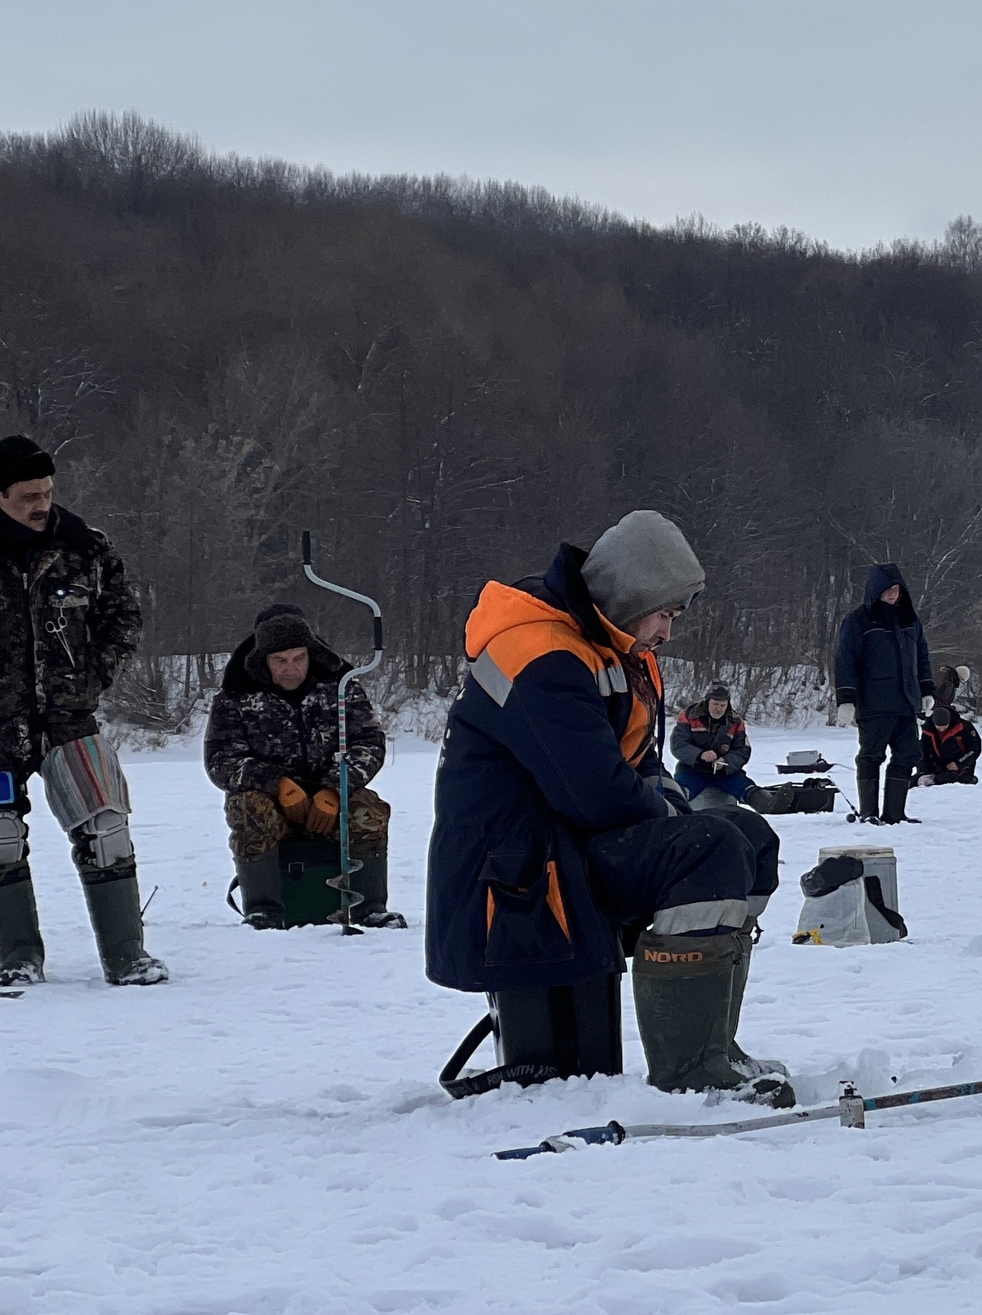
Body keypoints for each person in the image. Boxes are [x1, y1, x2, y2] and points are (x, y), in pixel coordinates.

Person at [426, 511, 792, 1104]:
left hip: (568, 846)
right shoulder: (540, 653)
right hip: (517, 873)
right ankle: (688, 1071)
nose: (669, 633)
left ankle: (713, 1044)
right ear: (631, 596)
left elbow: (641, 763)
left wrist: (675, 806)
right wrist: (679, 822)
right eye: (667, 613)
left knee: (749, 836)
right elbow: (593, 793)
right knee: (712, 845)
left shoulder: (613, 650)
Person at [0, 437, 161, 987]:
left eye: (47, 491)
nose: (42, 503)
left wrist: (94, 676)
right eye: (27, 496)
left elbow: (123, 618)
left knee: (107, 828)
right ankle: (16, 958)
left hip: (71, 718)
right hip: (0, 726)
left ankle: (127, 957)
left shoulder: (85, 548)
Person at [204, 603, 402, 928]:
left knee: (370, 809)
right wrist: (276, 784)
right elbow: (221, 760)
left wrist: (335, 788)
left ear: (310, 653)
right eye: (279, 661)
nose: (290, 668)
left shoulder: (341, 686)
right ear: (262, 660)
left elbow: (369, 742)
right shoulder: (235, 697)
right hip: (272, 805)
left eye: (298, 658)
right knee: (247, 807)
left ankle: (368, 910)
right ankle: (263, 912)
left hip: (330, 802)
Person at [832, 563, 934, 825]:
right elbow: (846, 661)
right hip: (874, 703)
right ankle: (868, 813)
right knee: (871, 756)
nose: (892, 594)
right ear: (875, 591)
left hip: (905, 702)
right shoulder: (857, 621)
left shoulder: (910, 620)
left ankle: (894, 813)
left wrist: (926, 690)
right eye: (887, 590)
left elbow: (921, 657)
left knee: (908, 754)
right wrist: (846, 699)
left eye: (896, 589)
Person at [670, 684, 758, 808]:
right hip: (693, 769)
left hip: (724, 772)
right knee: (679, 793)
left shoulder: (736, 721)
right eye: (715, 704)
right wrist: (700, 755)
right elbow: (678, 745)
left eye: (723, 705)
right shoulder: (689, 715)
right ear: (707, 702)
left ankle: (765, 801)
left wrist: (726, 761)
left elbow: (743, 750)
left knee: (745, 787)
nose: (719, 709)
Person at [918, 664, 981, 787]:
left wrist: (959, 764)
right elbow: (936, 694)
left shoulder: (964, 728)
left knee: (946, 777)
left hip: (958, 768)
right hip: (932, 710)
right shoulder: (946, 679)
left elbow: (974, 749)